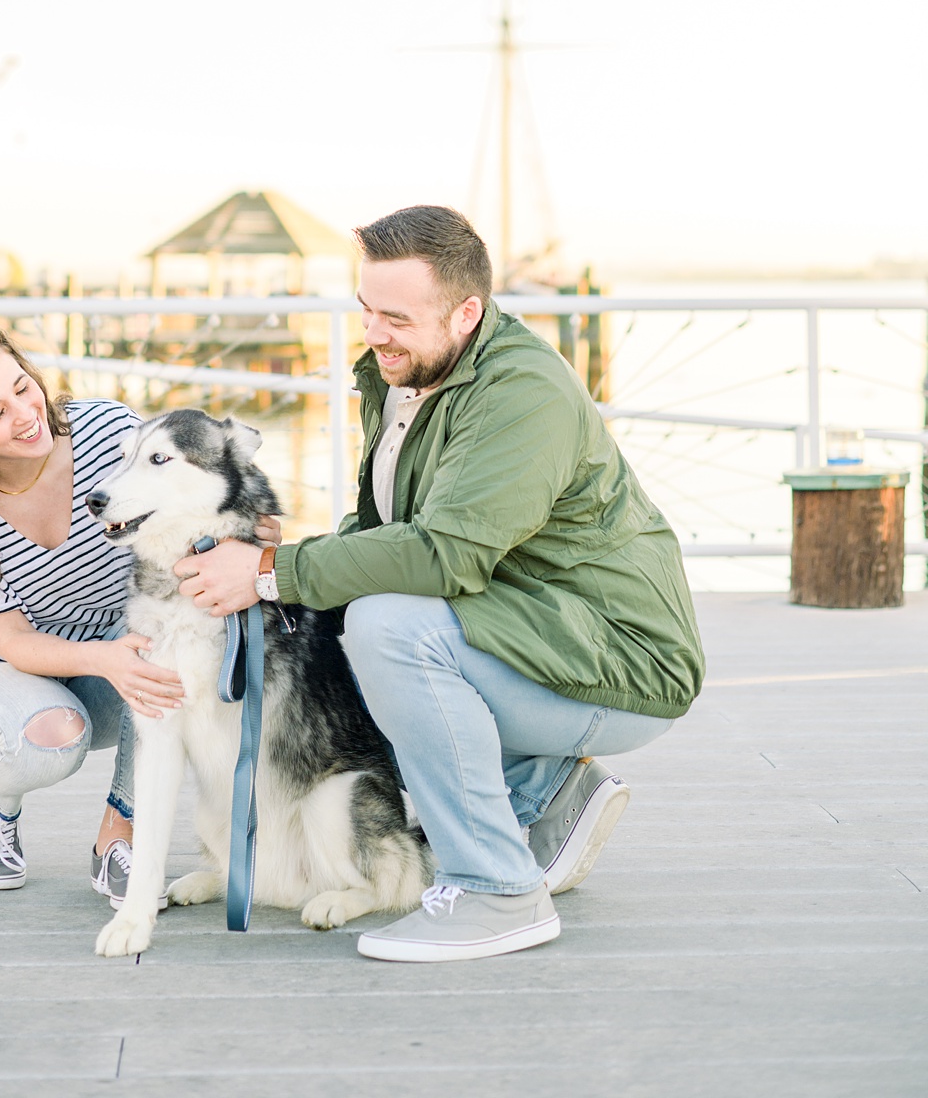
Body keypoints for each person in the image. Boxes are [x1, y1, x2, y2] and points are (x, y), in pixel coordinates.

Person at [174, 205, 706, 962]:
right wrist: (287, 559)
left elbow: (443, 557)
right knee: (345, 605)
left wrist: (268, 573)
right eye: (365, 309)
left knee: (387, 627)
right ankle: (541, 794)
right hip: (538, 629)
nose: (374, 332)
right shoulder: (415, 373)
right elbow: (389, 533)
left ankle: (496, 888)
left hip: (620, 661)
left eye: (396, 315)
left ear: (467, 312)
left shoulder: (522, 395)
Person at [0, 322, 279, 903]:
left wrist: (247, 533)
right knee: (52, 737)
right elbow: (16, 644)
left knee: (169, 666)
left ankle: (117, 836)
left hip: (105, 661)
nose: (25, 415)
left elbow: (191, 500)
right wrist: (109, 659)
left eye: (24, 388)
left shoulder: (108, 431)